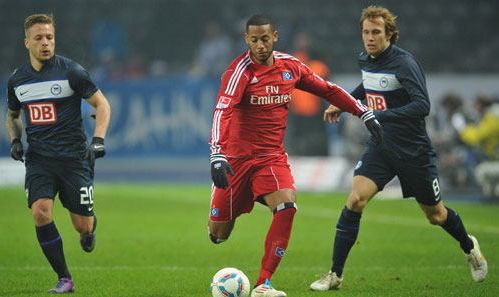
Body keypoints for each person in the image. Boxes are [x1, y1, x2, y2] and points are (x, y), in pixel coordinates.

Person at [310, 6, 487, 291]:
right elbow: (367, 85)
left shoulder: (405, 63)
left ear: (390, 34)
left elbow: (422, 105)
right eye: (366, 32)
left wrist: (377, 115)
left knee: (436, 216)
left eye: (376, 32)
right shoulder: (365, 59)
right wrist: (342, 104)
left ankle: (470, 247)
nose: (370, 38)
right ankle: (335, 275)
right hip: (381, 146)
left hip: (414, 151)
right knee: (355, 200)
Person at [208, 13, 382, 297]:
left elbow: (328, 89)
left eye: (265, 39)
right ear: (247, 40)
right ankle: (222, 206)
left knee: (287, 206)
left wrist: (362, 111)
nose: (260, 45)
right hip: (237, 161)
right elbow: (222, 111)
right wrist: (217, 154)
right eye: (254, 40)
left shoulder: (290, 67)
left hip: (271, 158)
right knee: (218, 235)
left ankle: (263, 284)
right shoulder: (239, 72)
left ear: (274, 37)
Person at [6, 14, 111, 293]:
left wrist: (98, 140)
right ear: (27, 42)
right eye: (39, 38)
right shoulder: (17, 80)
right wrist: (16, 139)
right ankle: (64, 277)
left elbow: (102, 105)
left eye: (50, 38)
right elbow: (13, 115)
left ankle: (89, 230)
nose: (45, 43)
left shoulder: (72, 72)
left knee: (83, 227)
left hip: (74, 159)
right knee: (41, 212)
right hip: (39, 159)